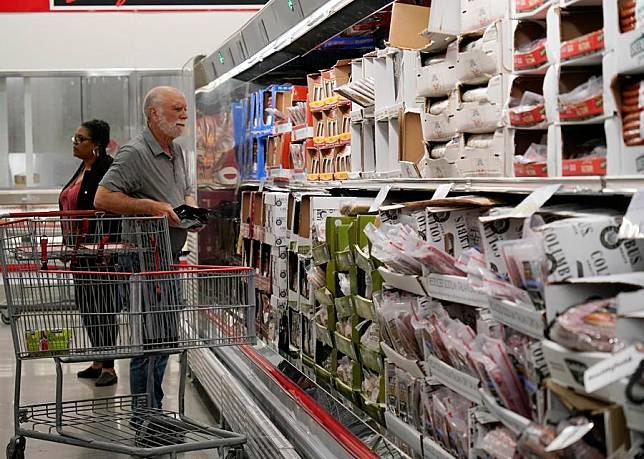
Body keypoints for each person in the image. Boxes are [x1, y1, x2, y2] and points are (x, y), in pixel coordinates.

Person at [94, 86, 198, 410]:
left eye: (185, 109)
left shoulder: (176, 151)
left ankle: (154, 411)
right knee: (147, 343)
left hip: (166, 260)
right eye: (177, 109)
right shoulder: (134, 152)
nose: (185, 115)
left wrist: (190, 210)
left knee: (164, 341)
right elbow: (103, 197)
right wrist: (150, 207)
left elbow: (186, 190)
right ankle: (144, 418)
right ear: (154, 114)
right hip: (140, 260)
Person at [59, 119, 119, 387]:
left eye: (81, 139)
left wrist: (108, 244)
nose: (75, 142)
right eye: (75, 137)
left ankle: (109, 366)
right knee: (87, 305)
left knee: (103, 306)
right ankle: (98, 359)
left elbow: (113, 208)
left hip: (100, 252)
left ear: (97, 145)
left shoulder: (107, 170)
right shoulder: (81, 169)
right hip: (78, 251)